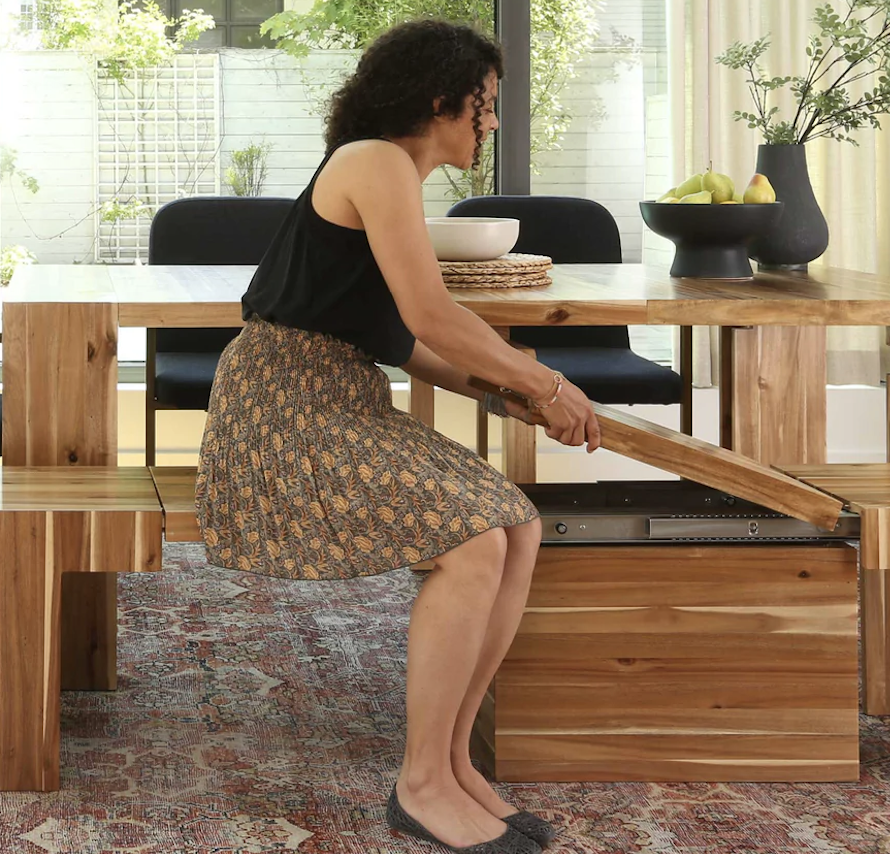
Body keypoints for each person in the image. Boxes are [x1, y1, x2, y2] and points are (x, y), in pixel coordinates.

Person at [194, 19, 600, 854]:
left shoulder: (391, 177)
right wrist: (545, 381)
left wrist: (502, 390)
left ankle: (452, 763)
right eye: (484, 103)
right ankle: (419, 784)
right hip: (281, 409)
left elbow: (401, 339)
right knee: (475, 540)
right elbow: (432, 314)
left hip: (341, 397)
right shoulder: (374, 161)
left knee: (516, 524)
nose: (491, 121)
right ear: (439, 98)